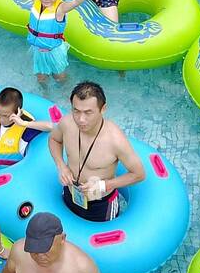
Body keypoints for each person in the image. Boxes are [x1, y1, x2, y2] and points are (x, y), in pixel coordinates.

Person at [49, 80, 145, 222]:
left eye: (88, 112)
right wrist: (61, 166)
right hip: (71, 192)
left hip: (101, 204)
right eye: (76, 111)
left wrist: (104, 185)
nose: (81, 119)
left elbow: (139, 174)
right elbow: (54, 140)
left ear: (103, 109)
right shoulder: (67, 123)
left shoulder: (115, 140)